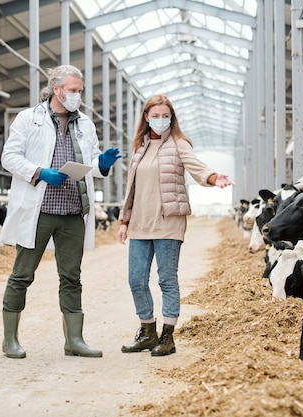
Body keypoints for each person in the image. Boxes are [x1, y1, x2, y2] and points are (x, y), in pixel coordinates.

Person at [0, 64, 121, 359]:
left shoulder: (86, 124)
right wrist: (40, 172)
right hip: (39, 211)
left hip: (72, 211)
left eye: (80, 90)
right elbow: (9, 157)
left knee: (71, 277)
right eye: (73, 90)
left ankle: (74, 340)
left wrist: (102, 163)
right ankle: (10, 340)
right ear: (57, 90)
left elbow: (91, 161)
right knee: (22, 274)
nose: (78, 95)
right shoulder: (29, 119)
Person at [117, 94, 234, 356]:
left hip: (168, 222)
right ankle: (148, 331)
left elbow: (197, 168)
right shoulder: (140, 148)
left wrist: (214, 178)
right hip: (139, 223)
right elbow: (131, 190)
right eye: (155, 116)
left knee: (167, 279)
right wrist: (124, 220)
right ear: (146, 117)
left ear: (172, 117)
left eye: (165, 116)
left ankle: (167, 337)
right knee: (136, 280)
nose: (160, 120)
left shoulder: (179, 144)